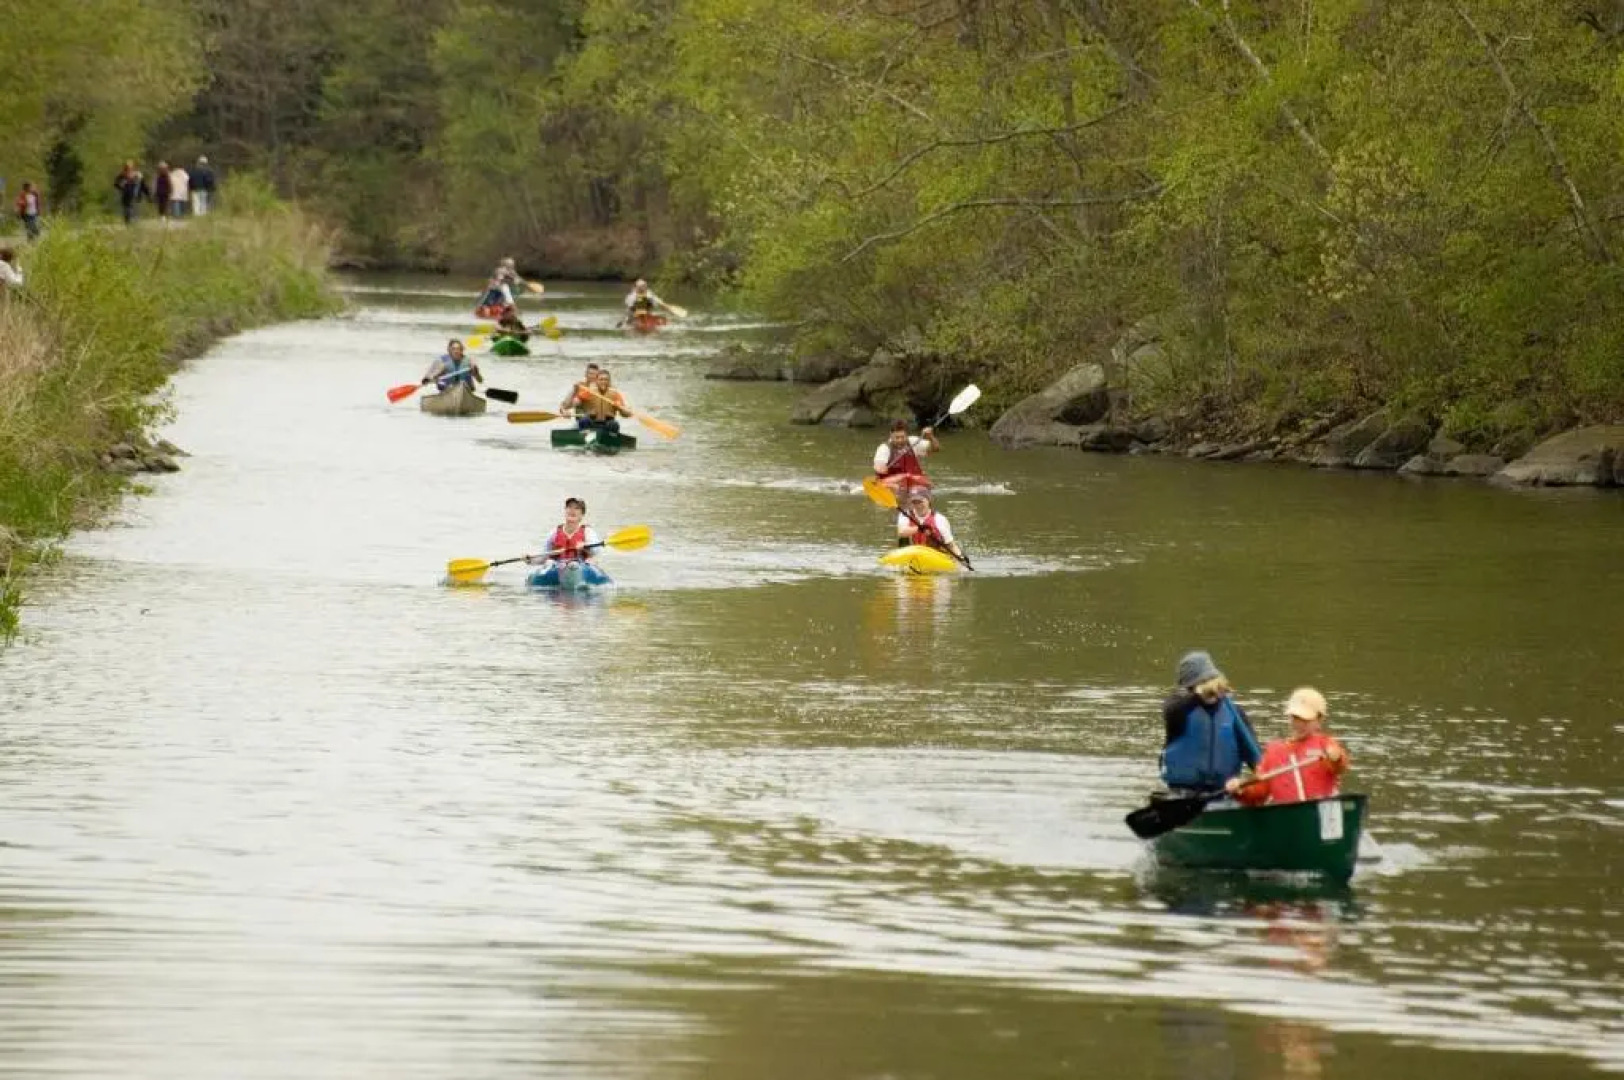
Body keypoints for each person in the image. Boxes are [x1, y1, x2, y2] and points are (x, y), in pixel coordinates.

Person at [1159, 651, 1263, 795]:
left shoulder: (1235, 713)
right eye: (1201, 684)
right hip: (1182, 791)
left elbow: (1254, 757)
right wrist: (1198, 695)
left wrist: (1262, 776)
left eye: (1211, 682)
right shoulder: (1177, 709)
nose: (1211, 693)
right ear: (1189, 689)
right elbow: (1171, 710)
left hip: (1224, 792)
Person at [1226, 688, 1349, 806]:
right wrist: (1240, 790)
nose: (1299, 724)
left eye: (1305, 720)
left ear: (1319, 720)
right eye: (1295, 718)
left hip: (1321, 811)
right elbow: (1258, 793)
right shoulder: (1274, 751)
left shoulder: (1325, 744)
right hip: (1289, 815)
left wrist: (1336, 757)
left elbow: (1339, 766)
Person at [526, 497, 601, 569]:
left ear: (582, 515)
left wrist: (586, 547)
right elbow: (544, 556)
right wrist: (529, 560)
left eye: (577, 508)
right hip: (558, 567)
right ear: (565, 511)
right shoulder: (554, 532)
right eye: (569, 507)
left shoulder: (588, 532)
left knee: (590, 561)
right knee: (549, 562)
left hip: (580, 566)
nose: (572, 510)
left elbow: (596, 551)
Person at [896, 489, 967, 563]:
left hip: (934, 555)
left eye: (920, 501)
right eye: (914, 502)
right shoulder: (905, 515)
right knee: (903, 540)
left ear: (928, 501)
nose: (917, 505)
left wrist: (960, 557)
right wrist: (919, 528)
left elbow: (950, 544)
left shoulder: (939, 519)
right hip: (912, 553)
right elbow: (901, 532)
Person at [873, 419, 939, 493]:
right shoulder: (884, 448)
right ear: (891, 435)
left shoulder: (913, 442)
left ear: (907, 434)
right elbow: (878, 466)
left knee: (924, 486)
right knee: (896, 486)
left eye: (902, 437)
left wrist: (930, 437)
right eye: (897, 437)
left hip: (913, 483)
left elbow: (935, 448)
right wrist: (881, 468)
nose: (900, 440)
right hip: (893, 483)